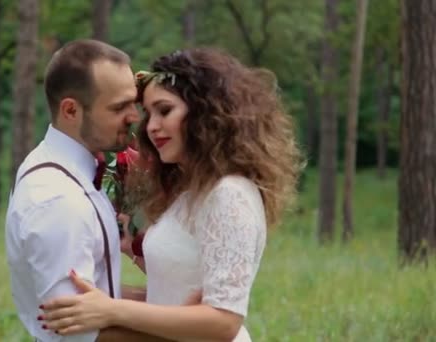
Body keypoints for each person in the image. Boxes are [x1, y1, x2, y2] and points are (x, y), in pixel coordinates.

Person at [38, 48, 304, 341]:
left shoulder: (230, 195)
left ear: (205, 113)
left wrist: (112, 310)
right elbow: (181, 285)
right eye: (148, 114)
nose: (151, 126)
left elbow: (223, 321)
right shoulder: (194, 192)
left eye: (165, 111)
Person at [5, 39, 174, 342]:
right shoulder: (58, 199)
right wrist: (193, 334)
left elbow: (97, 295)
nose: (135, 117)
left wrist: (179, 312)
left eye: (133, 104)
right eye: (119, 107)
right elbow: (77, 329)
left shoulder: (62, 171)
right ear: (70, 110)